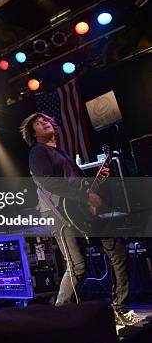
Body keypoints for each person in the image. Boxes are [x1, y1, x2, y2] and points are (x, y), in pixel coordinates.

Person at [20, 112, 143, 326]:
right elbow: (48, 183)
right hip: (58, 213)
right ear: (34, 134)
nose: (44, 123)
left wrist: (96, 183)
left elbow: (78, 184)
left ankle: (120, 308)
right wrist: (86, 196)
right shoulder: (38, 152)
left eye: (46, 120)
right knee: (77, 266)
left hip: (81, 211)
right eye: (39, 124)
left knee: (118, 252)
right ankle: (57, 320)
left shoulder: (62, 154)